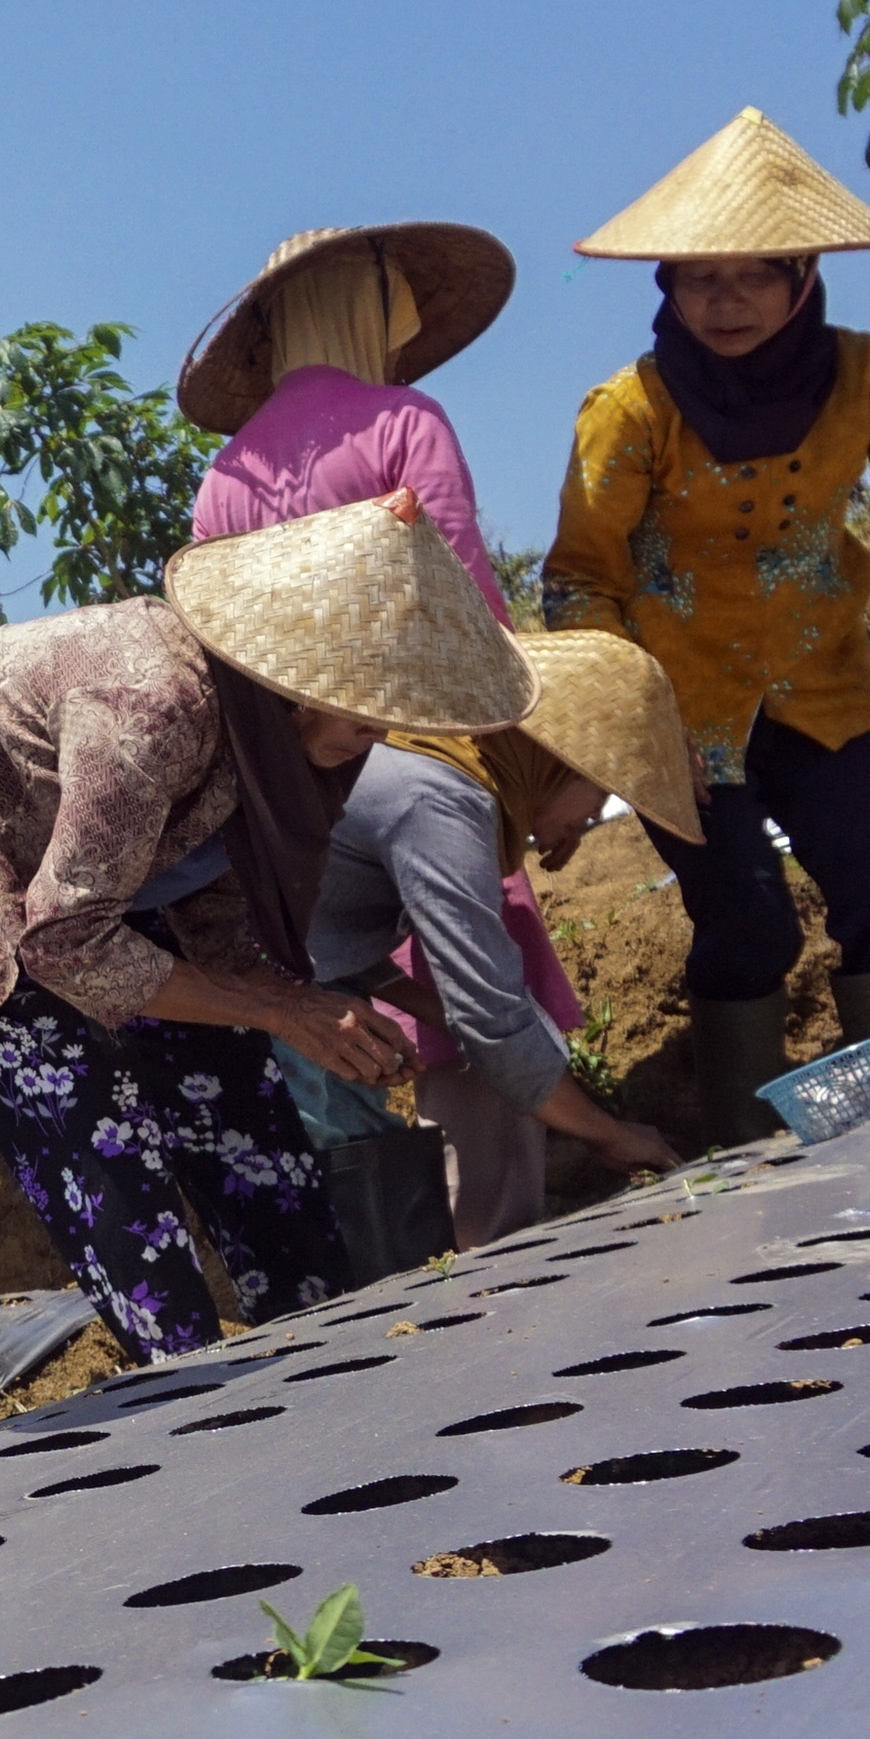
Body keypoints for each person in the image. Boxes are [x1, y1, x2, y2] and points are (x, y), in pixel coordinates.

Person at [0, 493, 535, 1360]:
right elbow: (60, 938)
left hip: (100, 875)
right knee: (100, 1138)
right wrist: (278, 1010)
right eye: (362, 708)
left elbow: (213, 896)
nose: (377, 731)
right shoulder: (156, 707)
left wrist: (284, 1000)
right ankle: (183, 1391)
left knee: (245, 1112)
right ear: (300, 682)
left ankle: (328, 1350)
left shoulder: (280, 746)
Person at [544, 108, 870, 1142]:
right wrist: (597, 744)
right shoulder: (628, 412)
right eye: (698, 277)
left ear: (802, 278)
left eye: (755, 273)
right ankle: (742, 1156)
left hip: (826, 692)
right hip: (681, 721)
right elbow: (580, 582)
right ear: (664, 285)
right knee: (746, 922)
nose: (726, 301)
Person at [178, 222, 598, 1135]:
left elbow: (221, 644)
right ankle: (518, 1196)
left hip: (294, 782)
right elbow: (470, 603)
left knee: (334, 986)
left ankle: (405, 1232)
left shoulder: (225, 476)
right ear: (374, 316)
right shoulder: (405, 422)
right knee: (483, 957)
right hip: (429, 745)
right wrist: (549, 762)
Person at [308, 632, 693, 1243]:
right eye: (599, 789)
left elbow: (326, 928)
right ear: (553, 759)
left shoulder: (438, 768)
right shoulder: (437, 801)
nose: (594, 816)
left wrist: (420, 1002)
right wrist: (611, 1134)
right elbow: (493, 1016)